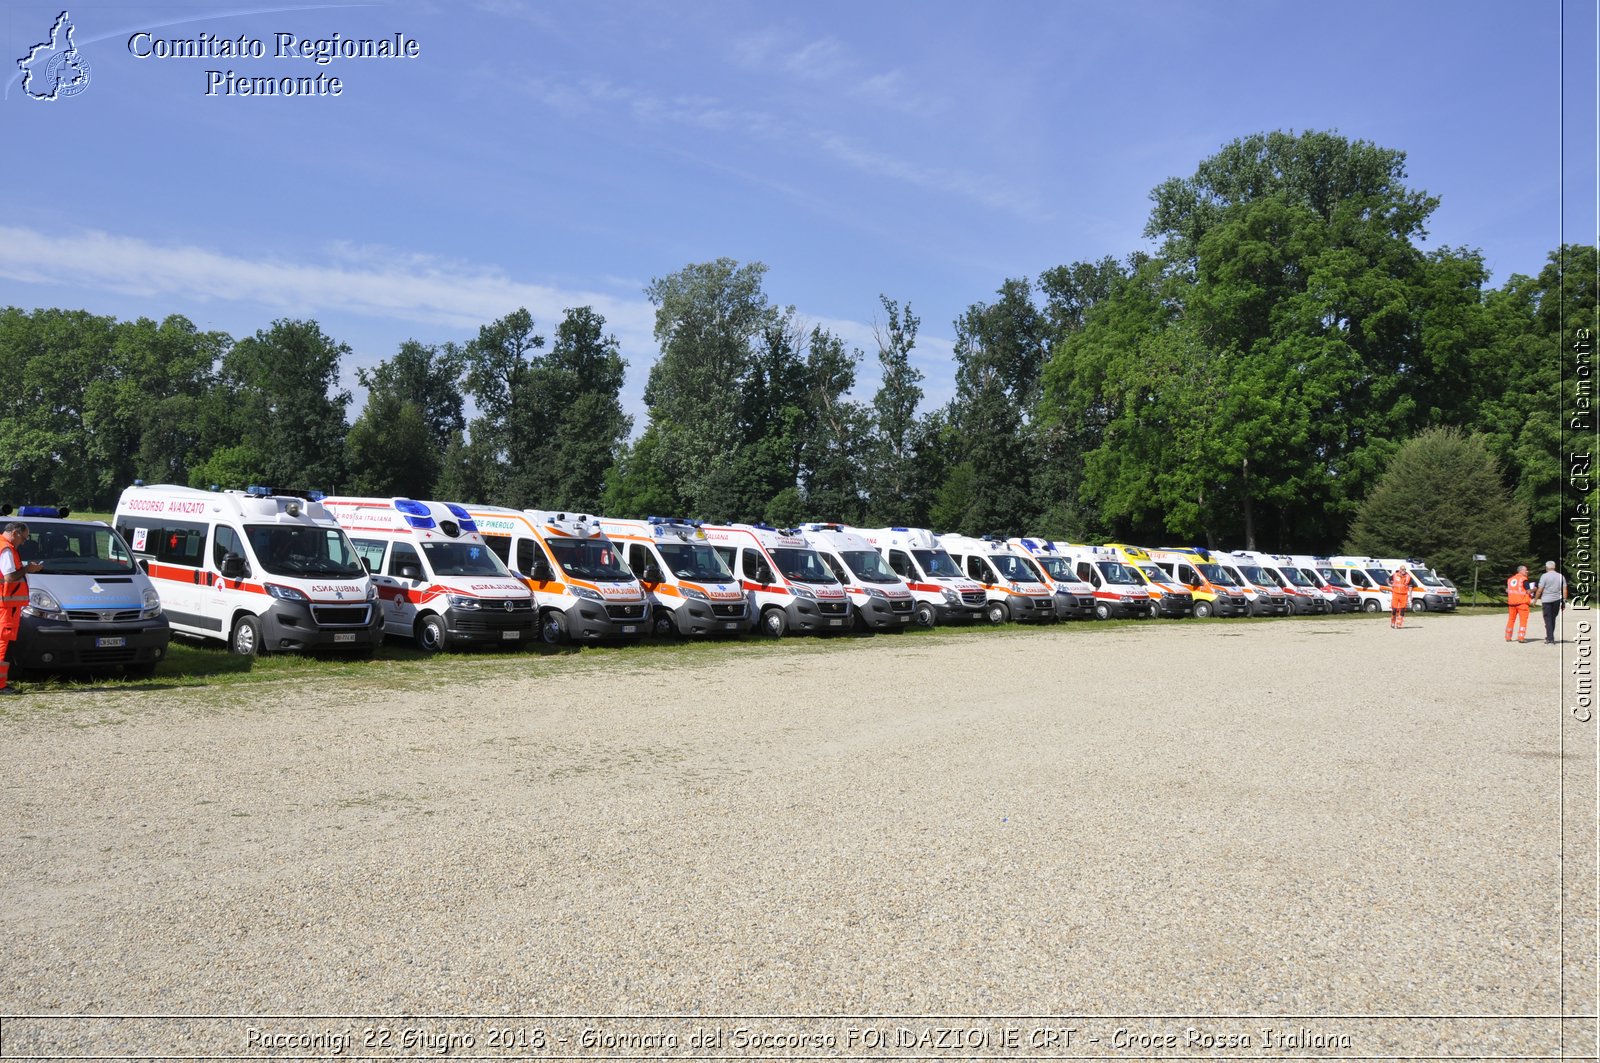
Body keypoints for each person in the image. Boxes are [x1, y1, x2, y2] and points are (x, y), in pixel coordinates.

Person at [0, 522, 44, 695]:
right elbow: (10, 576)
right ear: (15, 533)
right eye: (24, 538)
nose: (24, 543)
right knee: (4, 645)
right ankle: (1, 685)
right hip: (7, 606)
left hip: (6, 604)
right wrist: (28, 568)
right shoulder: (7, 550)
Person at [1537, 560, 1569, 644]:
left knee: (1548, 619)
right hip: (1557, 600)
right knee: (1552, 618)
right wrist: (1564, 601)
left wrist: (1535, 599)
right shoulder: (1561, 576)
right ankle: (1550, 636)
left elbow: (1540, 589)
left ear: (1547, 567)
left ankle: (1550, 638)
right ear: (1554, 567)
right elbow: (1565, 589)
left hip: (1546, 600)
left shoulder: (1544, 576)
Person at [1505, 564, 1532, 642]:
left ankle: (1508, 637)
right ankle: (1521, 637)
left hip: (1511, 603)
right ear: (1521, 571)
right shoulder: (1524, 579)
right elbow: (1528, 591)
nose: (1527, 571)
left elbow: (1507, 590)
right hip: (1522, 603)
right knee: (1523, 621)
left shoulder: (1510, 579)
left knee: (1511, 620)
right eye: (1526, 570)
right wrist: (1535, 589)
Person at [1389, 564, 1411, 628]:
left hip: (1404, 595)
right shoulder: (1395, 575)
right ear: (1399, 570)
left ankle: (1399, 624)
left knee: (1402, 609)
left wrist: (1410, 594)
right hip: (1395, 594)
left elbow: (1411, 586)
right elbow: (1388, 579)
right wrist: (1389, 584)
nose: (1403, 570)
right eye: (1402, 569)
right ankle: (1393, 622)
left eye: (1404, 569)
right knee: (1394, 609)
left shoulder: (1408, 576)